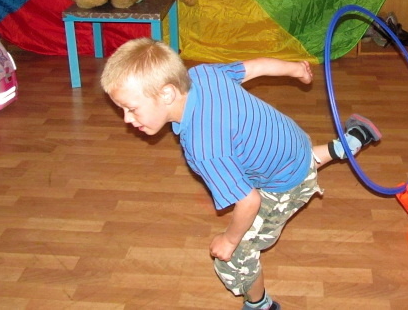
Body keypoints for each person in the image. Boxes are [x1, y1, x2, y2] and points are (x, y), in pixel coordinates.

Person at [101, 38, 382, 310]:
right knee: (297, 162)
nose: (127, 118)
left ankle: (260, 304)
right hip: (289, 140)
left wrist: (230, 240)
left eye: (132, 109)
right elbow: (256, 67)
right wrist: (296, 69)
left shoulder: (204, 146)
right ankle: (351, 141)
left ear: (167, 94)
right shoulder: (202, 75)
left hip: (282, 184)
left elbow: (249, 201)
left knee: (234, 259)